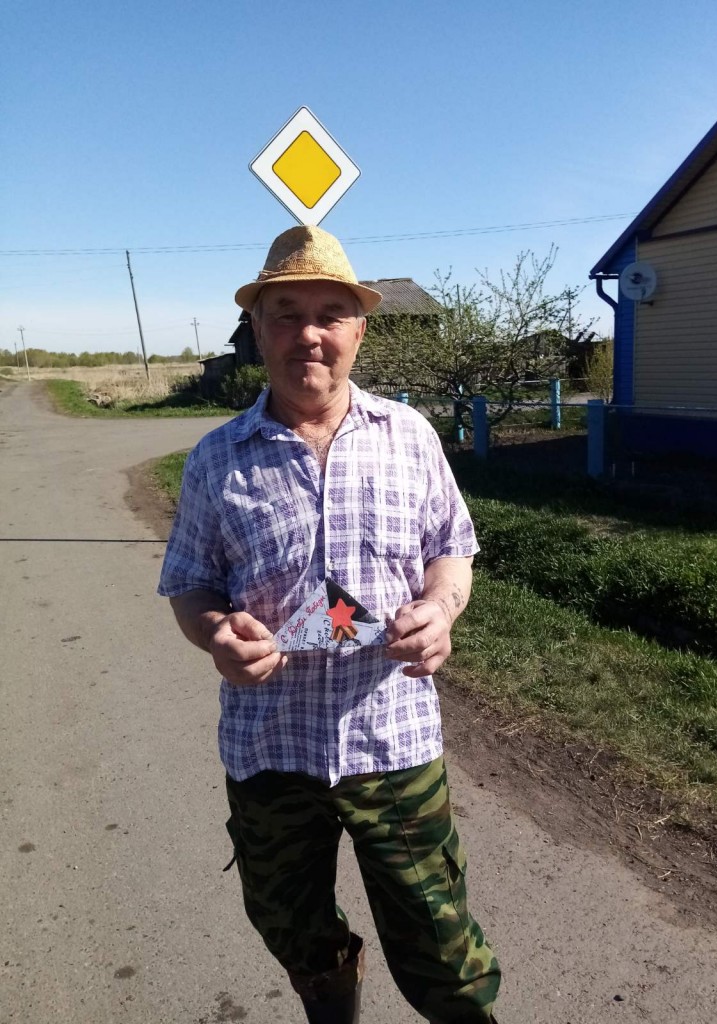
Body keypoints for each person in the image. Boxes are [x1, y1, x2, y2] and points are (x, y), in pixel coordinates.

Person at [158, 225, 501, 1023]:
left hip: (394, 742)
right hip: (270, 748)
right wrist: (215, 633)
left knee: (440, 940)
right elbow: (190, 584)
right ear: (257, 329)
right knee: (294, 929)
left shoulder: (410, 437)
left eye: (329, 314)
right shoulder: (216, 458)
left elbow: (452, 550)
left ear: (359, 330)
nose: (308, 334)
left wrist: (440, 610)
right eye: (286, 314)